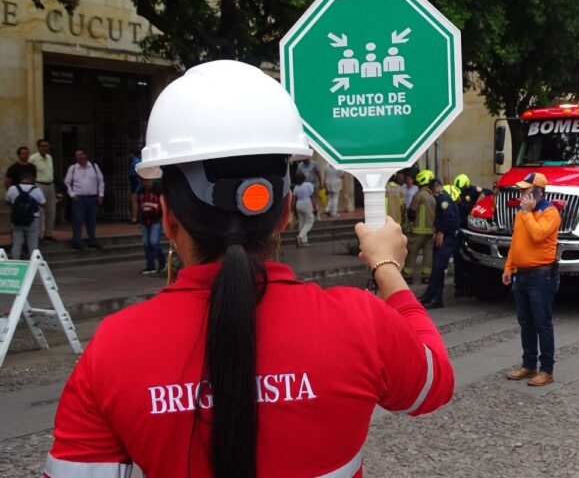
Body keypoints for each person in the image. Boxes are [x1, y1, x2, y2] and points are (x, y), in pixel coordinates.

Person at [45, 60, 453, 478]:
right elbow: (432, 383)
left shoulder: (112, 351)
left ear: (168, 218)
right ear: (285, 212)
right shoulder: (359, 322)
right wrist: (387, 267)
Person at [502, 172, 561, 387]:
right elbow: (516, 242)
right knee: (526, 323)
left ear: (538, 191)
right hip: (522, 275)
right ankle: (529, 365)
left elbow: (538, 235)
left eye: (525, 190)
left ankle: (547, 370)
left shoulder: (550, 212)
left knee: (542, 323)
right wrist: (509, 267)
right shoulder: (522, 213)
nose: (520, 194)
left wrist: (527, 213)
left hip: (541, 276)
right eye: (520, 190)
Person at [420, 179, 461, 309]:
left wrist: (441, 231)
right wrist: (437, 229)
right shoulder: (443, 197)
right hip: (445, 237)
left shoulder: (443, 198)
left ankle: (429, 297)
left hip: (448, 238)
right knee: (437, 268)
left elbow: (449, 217)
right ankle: (435, 298)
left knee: (437, 268)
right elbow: (442, 217)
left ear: (433, 188)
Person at [64, 148, 105, 251]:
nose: (80, 156)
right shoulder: (73, 168)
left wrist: (101, 194)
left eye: (81, 154)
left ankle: (93, 240)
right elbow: (67, 183)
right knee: (78, 220)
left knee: (91, 220)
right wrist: (72, 194)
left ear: (85, 155)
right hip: (79, 198)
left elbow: (101, 181)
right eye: (77, 155)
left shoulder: (94, 167)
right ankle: (77, 240)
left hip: (92, 198)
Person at [402, 169, 436, 285]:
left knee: (412, 253)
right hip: (430, 231)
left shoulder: (419, 195)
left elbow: (412, 212)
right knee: (428, 254)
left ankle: (408, 276)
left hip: (417, 231)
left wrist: (409, 223)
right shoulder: (433, 196)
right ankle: (426, 276)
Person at [6, 169, 46, 260]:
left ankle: (15, 263)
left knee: (17, 243)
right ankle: (33, 263)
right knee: (33, 245)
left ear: (21, 178)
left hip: (16, 219)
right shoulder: (37, 190)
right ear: (32, 179)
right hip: (32, 219)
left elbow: (8, 201)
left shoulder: (12, 188)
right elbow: (43, 204)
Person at [454, 173, 481, 298]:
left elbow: (486, 192)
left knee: (470, 261)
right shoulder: (456, 193)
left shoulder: (474, 191)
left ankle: (469, 286)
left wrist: (482, 196)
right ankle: (459, 286)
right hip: (460, 229)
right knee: (458, 260)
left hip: (470, 230)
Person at [29, 138, 57, 241]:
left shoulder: (50, 157)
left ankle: (48, 233)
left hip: (50, 185)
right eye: (43, 146)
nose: (45, 148)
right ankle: (38, 234)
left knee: (51, 211)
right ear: (38, 147)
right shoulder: (33, 158)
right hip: (39, 185)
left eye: (47, 146)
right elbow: (30, 174)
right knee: (39, 211)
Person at [137, 177, 165, 275]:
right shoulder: (141, 191)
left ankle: (162, 263)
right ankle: (150, 266)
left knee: (154, 242)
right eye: (144, 181)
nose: (146, 183)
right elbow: (140, 206)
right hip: (145, 220)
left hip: (156, 220)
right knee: (146, 243)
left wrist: (162, 218)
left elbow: (162, 205)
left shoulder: (158, 191)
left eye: (148, 180)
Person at [292, 171, 316, 247]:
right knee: (310, 222)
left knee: (301, 222)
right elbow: (312, 196)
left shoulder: (296, 187)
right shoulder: (308, 185)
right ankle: (300, 237)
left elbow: (293, 200)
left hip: (298, 204)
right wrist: (315, 206)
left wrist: (292, 210)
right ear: (304, 178)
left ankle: (303, 241)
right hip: (307, 203)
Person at [128, 150, 142, 223]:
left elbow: (138, 172)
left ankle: (134, 218)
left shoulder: (135, 161)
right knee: (134, 200)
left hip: (136, 181)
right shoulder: (134, 161)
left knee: (134, 199)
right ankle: (135, 218)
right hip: (134, 181)